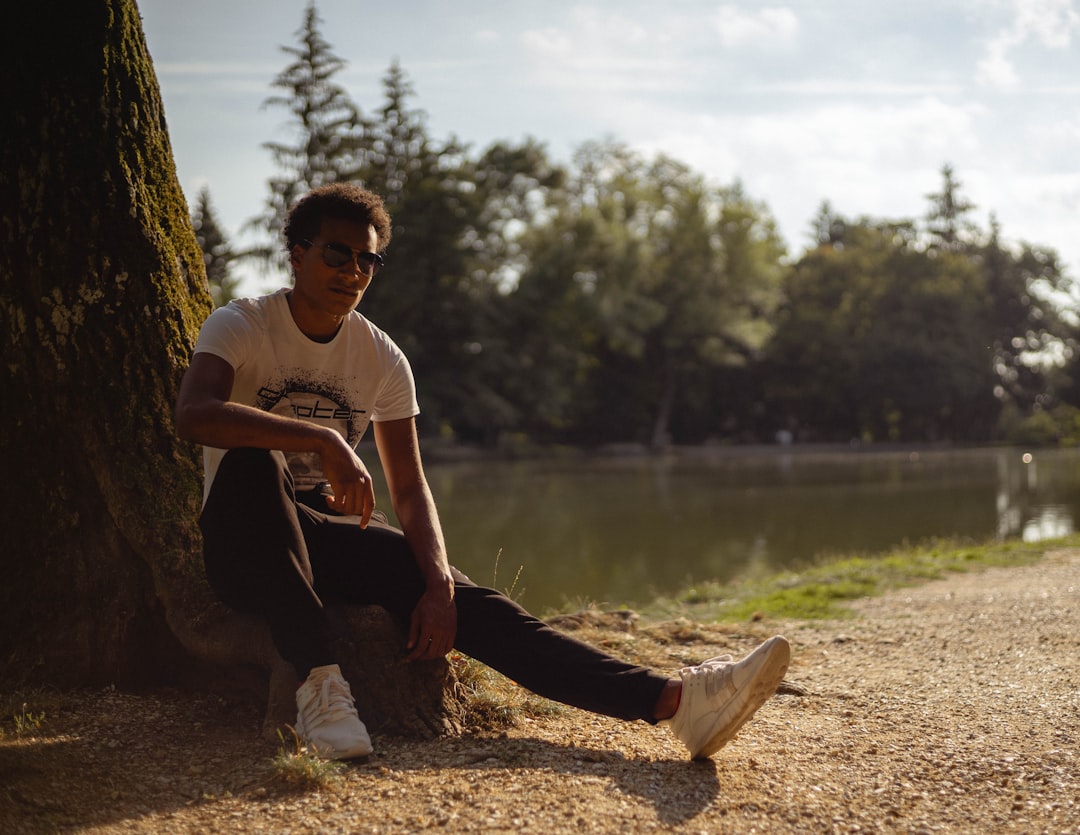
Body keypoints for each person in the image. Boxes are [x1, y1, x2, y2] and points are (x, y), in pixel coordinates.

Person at [174, 182, 790, 761]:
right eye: (339, 254)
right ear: (298, 253)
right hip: (245, 546)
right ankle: (318, 686)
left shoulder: (380, 357)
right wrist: (322, 439)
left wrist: (437, 584)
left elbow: (410, 488)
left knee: (476, 605)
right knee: (254, 461)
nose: (354, 272)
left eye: (369, 261)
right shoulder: (243, 324)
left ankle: (674, 702)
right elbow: (195, 414)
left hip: (328, 542)